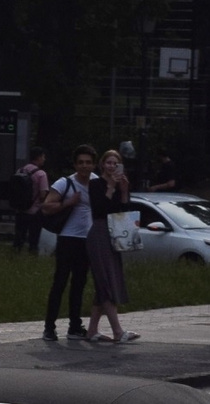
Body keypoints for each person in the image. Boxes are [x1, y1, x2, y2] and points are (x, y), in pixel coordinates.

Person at [39, 144, 97, 341]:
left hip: (87, 240)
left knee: (79, 284)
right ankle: (49, 327)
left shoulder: (97, 182)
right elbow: (46, 206)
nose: (84, 166)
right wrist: (68, 203)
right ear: (75, 164)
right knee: (60, 282)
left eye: (88, 163)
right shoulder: (65, 183)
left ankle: (74, 326)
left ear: (94, 164)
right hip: (67, 238)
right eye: (80, 162)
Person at [85, 148, 138, 343]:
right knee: (106, 282)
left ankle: (92, 331)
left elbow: (123, 212)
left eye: (116, 163)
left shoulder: (121, 184)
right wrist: (110, 188)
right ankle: (118, 331)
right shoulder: (96, 184)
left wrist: (123, 191)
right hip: (99, 233)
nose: (112, 166)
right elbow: (99, 209)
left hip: (114, 234)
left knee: (105, 282)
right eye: (109, 163)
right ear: (102, 165)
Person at [10, 147, 49, 253]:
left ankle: (15, 254)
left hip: (20, 209)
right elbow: (42, 194)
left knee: (19, 236)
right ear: (39, 157)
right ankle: (32, 254)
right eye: (43, 157)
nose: (44, 159)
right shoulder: (41, 174)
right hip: (34, 211)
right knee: (34, 238)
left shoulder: (20, 170)